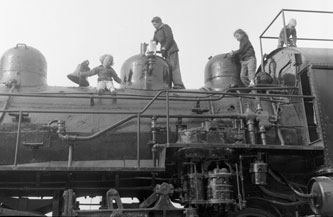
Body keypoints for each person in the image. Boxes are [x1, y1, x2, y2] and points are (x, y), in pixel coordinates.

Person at [151, 16, 185, 89]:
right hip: (165, 52)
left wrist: (164, 47)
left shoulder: (165, 27)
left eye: (155, 24)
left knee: (174, 66)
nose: (154, 26)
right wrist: (150, 48)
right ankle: (168, 83)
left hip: (171, 50)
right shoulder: (156, 32)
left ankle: (178, 84)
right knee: (168, 67)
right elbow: (154, 42)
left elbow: (170, 38)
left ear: (159, 22)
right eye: (153, 25)